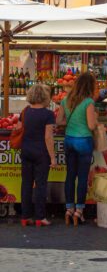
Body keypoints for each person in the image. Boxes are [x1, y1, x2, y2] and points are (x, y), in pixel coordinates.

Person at [56, 72, 98, 226]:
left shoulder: (66, 99)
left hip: (69, 140)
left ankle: (68, 209)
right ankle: (79, 211)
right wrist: (95, 118)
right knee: (82, 177)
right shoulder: (88, 102)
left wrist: (71, 122)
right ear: (90, 86)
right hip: (83, 141)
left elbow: (59, 120)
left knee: (70, 176)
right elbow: (91, 125)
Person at [18, 84, 56, 227]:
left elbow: (18, 129)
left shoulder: (25, 111)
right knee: (40, 185)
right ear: (45, 97)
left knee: (26, 184)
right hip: (41, 153)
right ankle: (40, 217)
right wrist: (52, 157)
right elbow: (48, 138)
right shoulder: (48, 114)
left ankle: (25, 216)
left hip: (26, 151)